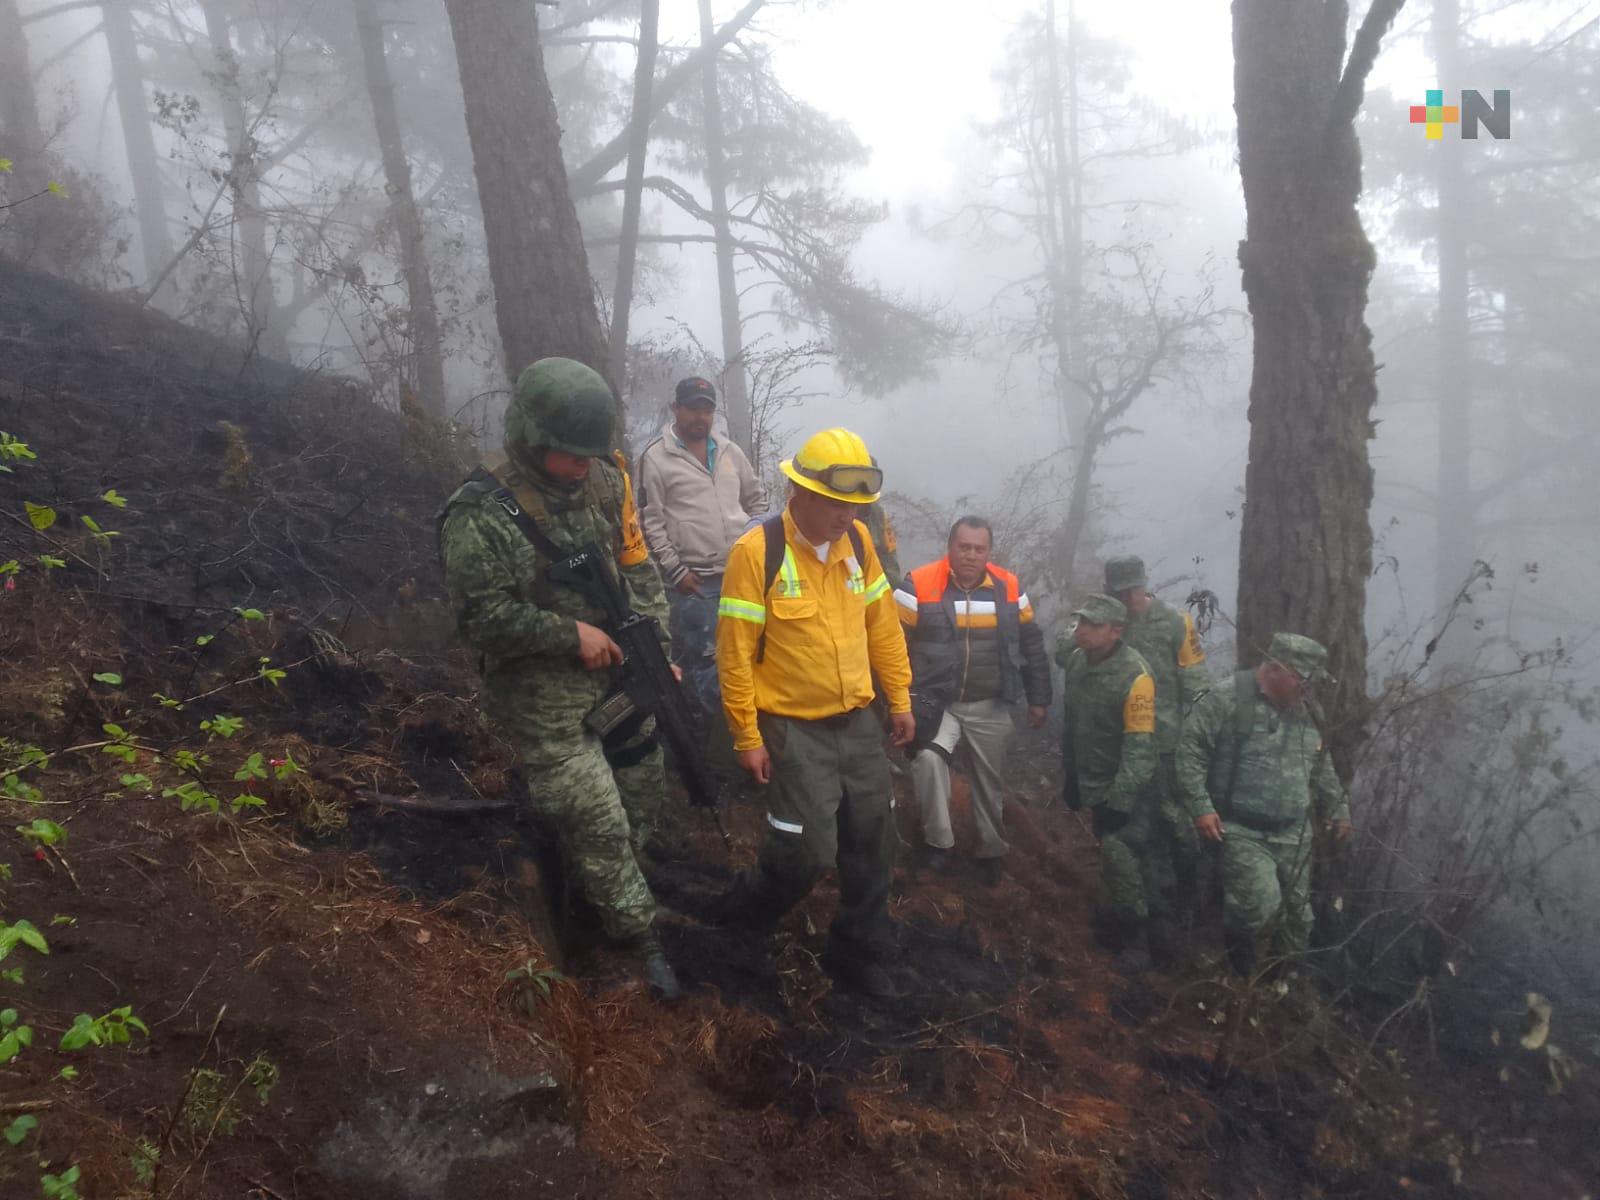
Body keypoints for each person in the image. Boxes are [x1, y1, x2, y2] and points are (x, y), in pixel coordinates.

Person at [438, 357, 680, 999]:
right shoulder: (479, 512)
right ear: (531, 437)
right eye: (568, 455)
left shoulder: (607, 483)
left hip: (620, 670)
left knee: (644, 780)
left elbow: (640, 571)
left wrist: (658, 646)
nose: (582, 466)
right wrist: (567, 635)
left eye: (589, 454)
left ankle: (608, 888)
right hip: (540, 685)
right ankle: (636, 936)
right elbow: (480, 618)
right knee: (593, 809)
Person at [714, 427, 914, 997]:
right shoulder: (758, 554)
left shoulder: (860, 545)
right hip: (793, 730)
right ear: (796, 491)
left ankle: (856, 949)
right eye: (833, 502)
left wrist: (899, 698)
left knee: (874, 839)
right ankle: (750, 911)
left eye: (854, 506)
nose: (844, 516)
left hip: (858, 723)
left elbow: (883, 629)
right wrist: (746, 736)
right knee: (805, 850)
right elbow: (733, 655)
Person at [1177, 633, 1353, 977]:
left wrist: (1339, 807)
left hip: (1294, 834)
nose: (1308, 689)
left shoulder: (1307, 712)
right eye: (1303, 680)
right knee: (1258, 908)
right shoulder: (1227, 699)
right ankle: (1236, 969)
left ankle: (1280, 990)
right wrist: (1200, 806)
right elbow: (1190, 751)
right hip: (1241, 829)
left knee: (1298, 922)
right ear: (1277, 669)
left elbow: (1321, 765)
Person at [895, 516, 1051, 885]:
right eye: (964, 547)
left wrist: (1039, 698)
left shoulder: (1009, 587)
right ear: (950, 547)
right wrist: (897, 701)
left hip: (989, 701)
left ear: (988, 552)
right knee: (929, 761)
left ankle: (991, 852)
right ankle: (938, 844)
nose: (971, 555)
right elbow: (892, 644)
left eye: (979, 549)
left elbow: (1031, 643)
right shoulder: (918, 584)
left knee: (989, 779)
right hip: (937, 702)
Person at [636, 377, 765, 725]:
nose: (701, 416)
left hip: (741, 575)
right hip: (696, 583)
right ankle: (716, 742)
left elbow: (756, 501)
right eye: (693, 407)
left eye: (707, 409)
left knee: (747, 654)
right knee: (704, 664)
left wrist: (758, 544)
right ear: (676, 408)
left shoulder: (729, 451)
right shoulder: (656, 457)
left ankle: (744, 732)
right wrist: (675, 572)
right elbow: (650, 522)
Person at [1103, 554, 1209, 932]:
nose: (1128, 597)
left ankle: (1188, 900)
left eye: (1133, 589)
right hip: (1124, 745)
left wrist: (1194, 742)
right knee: (1133, 829)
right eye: (1120, 591)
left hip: (1168, 745)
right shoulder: (1108, 624)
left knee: (1178, 829)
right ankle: (1143, 907)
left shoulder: (1175, 622)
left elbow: (1196, 684)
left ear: (1143, 585)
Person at [1055, 593, 1160, 966]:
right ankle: (1111, 920)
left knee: (1120, 854)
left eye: (1093, 625)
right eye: (1081, 622)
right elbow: (1074, 727)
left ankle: (1137, 939)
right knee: (1110, 853)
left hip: (1125, 785)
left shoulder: (1136, 677)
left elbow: (1140, 748)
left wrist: (1122, 800)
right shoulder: (1078, 662)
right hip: (1090, 778)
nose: (1082, 631)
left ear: (1116, 631)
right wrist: (1072, 777)